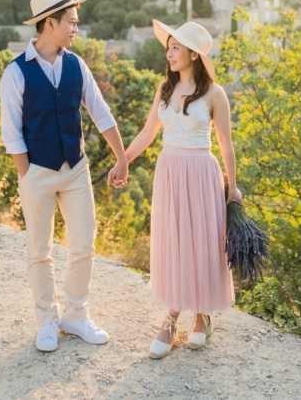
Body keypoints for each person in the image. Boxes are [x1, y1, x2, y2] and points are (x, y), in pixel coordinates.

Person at [0, 0, 128, 353]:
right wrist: (27, 174)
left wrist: (120, 156)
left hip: (75, 170)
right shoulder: (16, 73)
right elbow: (11, 132)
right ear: (50, 23)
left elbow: (100, 112)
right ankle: (46, 321)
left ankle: (76, 315)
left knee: (84, 243)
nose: (76, 28)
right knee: (39, 250)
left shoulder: (76, 65)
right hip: (37, 172)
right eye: (71, 22)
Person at [109, 19, 241, 358]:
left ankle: (201, 314)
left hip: (201, 171)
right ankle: (170, 316)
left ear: (194, 55)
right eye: (168, 47)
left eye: (176, 47)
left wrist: (233, 187)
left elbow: (226, 144)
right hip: (169, 170)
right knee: (174, 241)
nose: (169, 53)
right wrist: (123, 160)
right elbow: (148, 133)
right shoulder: (164, 90)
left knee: (202, 242)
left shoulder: (215, 93)